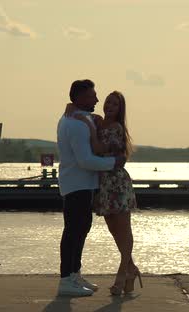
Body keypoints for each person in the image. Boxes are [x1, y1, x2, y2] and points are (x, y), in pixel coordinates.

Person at [66, 91, 142, 296]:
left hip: (116, 183)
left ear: (120, 109)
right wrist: (85, 117)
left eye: (114, 104)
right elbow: (71, 109)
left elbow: (99, 149)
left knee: (123, 230)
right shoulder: (98, 122)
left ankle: (121, 275)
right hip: (103, 184)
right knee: (114, 231)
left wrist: (90, 128)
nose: (109, 105)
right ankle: (132, 270)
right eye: (108, 102)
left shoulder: (116, 128)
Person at [56, 80, 126, 297]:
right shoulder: (75, 124)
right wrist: (114, 162)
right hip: (77, 184)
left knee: (81, 229)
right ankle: (66, 279)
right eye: (92, 96)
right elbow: (85, 160)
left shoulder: (78, 118)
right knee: (73, 231)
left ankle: (74, 274)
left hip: (82, 185)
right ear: (79, 98)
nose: (97, 99)